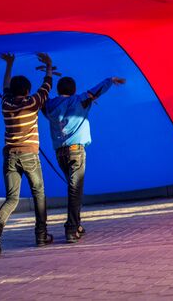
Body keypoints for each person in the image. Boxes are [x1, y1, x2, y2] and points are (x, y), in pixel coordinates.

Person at [42, 75, 126, 243]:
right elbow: (96, 91)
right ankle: (71, 229)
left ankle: (77, 225)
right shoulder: (79, 100)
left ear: (59, 90)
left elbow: (42, 96)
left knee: (74, 191)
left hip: (60, 154)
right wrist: (110, 80)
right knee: (75, 192)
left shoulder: (49, 105)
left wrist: (48, 72)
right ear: (73, 90)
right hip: (76, 151)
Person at [0, 52, 54, 256]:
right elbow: (47, 84)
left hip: (9, 156)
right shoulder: (33, 102)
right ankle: (41, 235)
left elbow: (5, 86)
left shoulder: (5, 104)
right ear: (26, 90)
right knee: (39, 193)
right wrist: (49, 65)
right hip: (29, 155)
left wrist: (9, 64)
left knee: (12, 198)